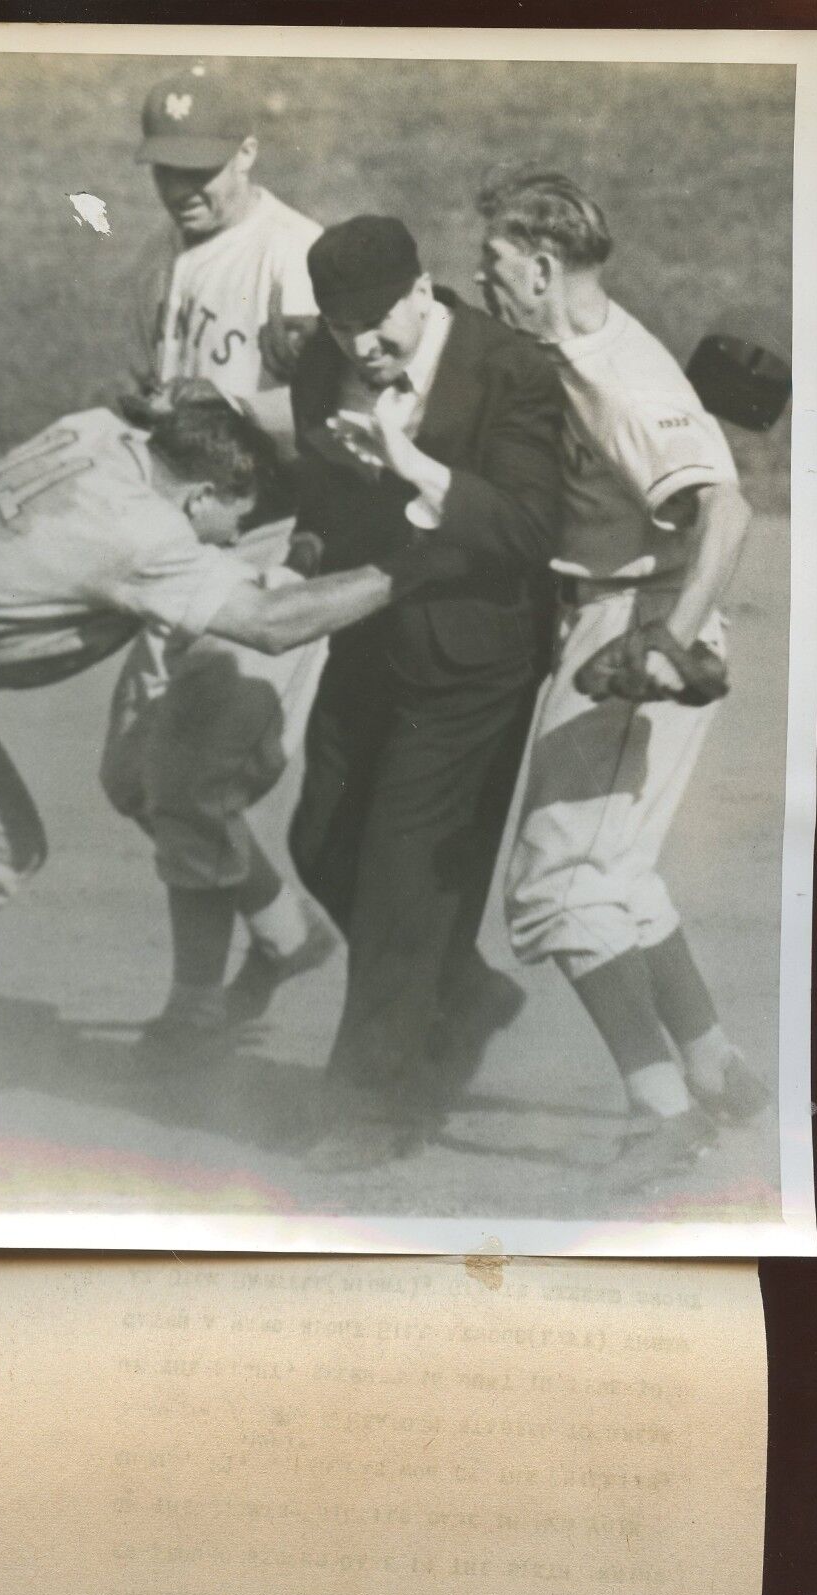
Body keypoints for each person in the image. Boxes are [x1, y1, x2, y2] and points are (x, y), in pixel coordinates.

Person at [0, 400, 431, 1055]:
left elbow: (153, 410)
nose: (231, 539)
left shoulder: (95, 429)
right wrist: (412, 569)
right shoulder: (141, 537)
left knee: (2, 848)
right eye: (234, 519)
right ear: (199, 496)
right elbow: (269, 623)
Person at [474, 168, 770, 1173]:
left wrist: (667, 641)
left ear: (545, 267)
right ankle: (714, 1064)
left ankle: (660, 1111)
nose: (485, 284)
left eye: (495, 267)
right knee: (614, 871)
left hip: (634, 628)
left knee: (557, 886)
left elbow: (723, 508)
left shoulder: (621, 380)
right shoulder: (572, 345)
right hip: (619, 619)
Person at [286, 215, 564, 1172]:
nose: (363, 345)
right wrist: (307, 549)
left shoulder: (511, 371)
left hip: (473, 657)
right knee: (320, 841)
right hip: (368, 635)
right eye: (340, 327)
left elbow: (529, 529)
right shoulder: (322, 365)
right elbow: (320, 493)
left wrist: (421, 471)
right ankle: (464, 993)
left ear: (421, 291)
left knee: (403, 876)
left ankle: (374, 1108)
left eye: (376, 322)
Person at [100, 64, 334, 1058]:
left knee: (191, 779)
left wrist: (231, 409)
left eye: (203, 167)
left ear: (248, 151)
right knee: (131, 778)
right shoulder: (162, 253)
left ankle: (196, 1005)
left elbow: (348, 420)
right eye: (165, 170)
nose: (184, 188)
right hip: (176, 544)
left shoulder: (296, 257)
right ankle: (282, 930)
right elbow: (155, 386)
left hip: (273, 547)